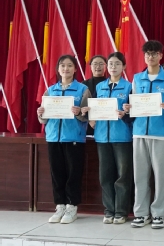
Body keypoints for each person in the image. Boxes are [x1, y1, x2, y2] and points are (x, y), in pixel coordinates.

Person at [123, 40, 164, 230]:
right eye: (148, 54)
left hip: (160, 133)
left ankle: (159, 213)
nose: (151, 57)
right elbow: (134, 103)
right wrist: (128, 108)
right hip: (139, 133)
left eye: (154, 54)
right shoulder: (137, 78)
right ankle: (141, 213)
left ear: (161, 56)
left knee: (160, 176)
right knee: (140, 176)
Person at [37, 54, 89, 225]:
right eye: (62, 65)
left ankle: (72, 206)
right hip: (53, 137)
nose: (65, 68)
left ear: (75, 69)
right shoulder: (50, 90)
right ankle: (60, 205)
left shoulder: (82, 89)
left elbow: (87, 115)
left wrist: (79, 112)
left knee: (73, 173)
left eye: (69, 65)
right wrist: (40, 114)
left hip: (74, 138)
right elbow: (43, 119)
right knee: (57, 173)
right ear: (58, 69)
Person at [91, 51, 133, 225]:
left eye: (117, 64)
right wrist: (90, 115)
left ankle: (121, 211)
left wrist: (126, 113)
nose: (113, 67)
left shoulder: (129, 87)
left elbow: (133, 113)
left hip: (122, 137)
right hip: (102, 137)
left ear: (124, 66)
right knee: (105, 176)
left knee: (123, 176)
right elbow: (95, 108)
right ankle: (109, 210)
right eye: (110, 64)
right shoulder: (100, 87)